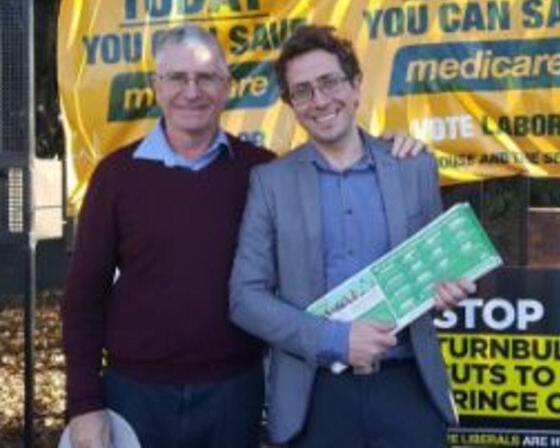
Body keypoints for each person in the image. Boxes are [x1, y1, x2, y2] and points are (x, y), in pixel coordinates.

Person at [62, 24, 426, 448]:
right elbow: (84, 297)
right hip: (136, 394)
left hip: (235, 393)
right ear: (156, 87)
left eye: (207, 78)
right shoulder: (116, 175)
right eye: (177, 78)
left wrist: (391, 148)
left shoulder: (262, 172)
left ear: (227, 87)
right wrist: (84, 404)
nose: (192, 91)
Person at [229, 24, 476, 448]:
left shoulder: (413, 166)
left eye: (329, 82)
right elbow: (244, 299)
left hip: (408, 388)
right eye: (302, 91)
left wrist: (450, 287)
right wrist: (336, 340)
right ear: (291, 104)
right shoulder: (270, 183)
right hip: (315, 395)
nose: (320, 100)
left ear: (357, 84)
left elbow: (440, 270)